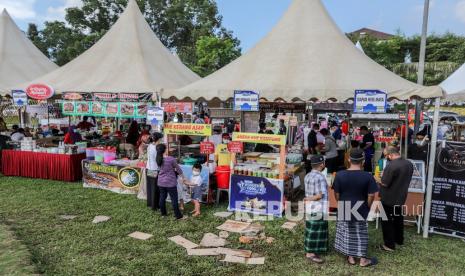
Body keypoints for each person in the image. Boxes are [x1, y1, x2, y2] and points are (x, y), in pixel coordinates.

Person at [333, 148, 379, 267]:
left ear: (349, 159)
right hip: (361, 207)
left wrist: (342, 203)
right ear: (362, 161)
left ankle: (351, 257)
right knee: (361, 233)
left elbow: (337, 195)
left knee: (347, 231)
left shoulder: (339, 175)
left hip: (344, 205)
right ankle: (363, 260)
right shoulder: (368, 176)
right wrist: (367, 206)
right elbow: (371, 195)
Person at [378, 146, 414, 252]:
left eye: (386, 155)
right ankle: (399, 239)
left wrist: (378, 179)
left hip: (388, 197)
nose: (386, 157)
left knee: (386, 221)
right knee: (398, 218)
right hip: (401, 196)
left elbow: (385, 183)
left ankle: (389, 245)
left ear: (390, 154)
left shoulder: (391, 165)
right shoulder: (409, 163)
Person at [304, 155, 329, 264]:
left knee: (312, 228)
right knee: (315, 230)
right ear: (322, 164)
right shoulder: (320, 177)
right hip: (318, 207)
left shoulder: (307, 175)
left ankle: (317, 249)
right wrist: (309, 198)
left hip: (310, 207)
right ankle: (310, 253)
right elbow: (320, 195)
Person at [156, 144, 185, 219]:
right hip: (170, 182)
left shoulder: (158, 159)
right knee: (174, 199)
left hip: (161, 182)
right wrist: (183, 178)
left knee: (162, 197)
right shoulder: (171, 159)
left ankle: (163, 214)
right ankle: (178, 215)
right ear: (165, 150)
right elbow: (178, 169)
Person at [146, 132, 163, 210]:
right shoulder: (157, 148)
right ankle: (155, 205)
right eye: (161, 139)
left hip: (148, 169)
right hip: (154, 169)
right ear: (158, 139)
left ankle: (150, 203)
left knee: (150, 187)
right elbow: (159, 161)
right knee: (155, 188)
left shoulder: (150, 145)